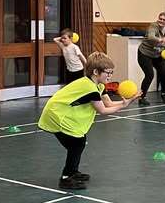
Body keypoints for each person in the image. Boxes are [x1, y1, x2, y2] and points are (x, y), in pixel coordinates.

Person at [38, 52, 141, 190]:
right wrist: (124, 105)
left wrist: (128, 101)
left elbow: (108, 104)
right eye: (108, 73)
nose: (110, 76)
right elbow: (103, 111)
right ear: (95, 72)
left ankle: (72, 172)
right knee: (77, 144)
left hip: (62, 113)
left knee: (78, 143)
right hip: (56, 115)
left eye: (112, 72)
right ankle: (66, 178)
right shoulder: (89, 88)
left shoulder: (99, 86)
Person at [137, 11, 165, 106]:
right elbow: (151, 37)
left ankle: (164, 93)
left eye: (164, 20)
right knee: (149, 75)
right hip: (145, 53)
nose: (161, 21)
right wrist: (161, 40)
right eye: (160, 18)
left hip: (158, 55)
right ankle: (142, 97)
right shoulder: (153, 26)